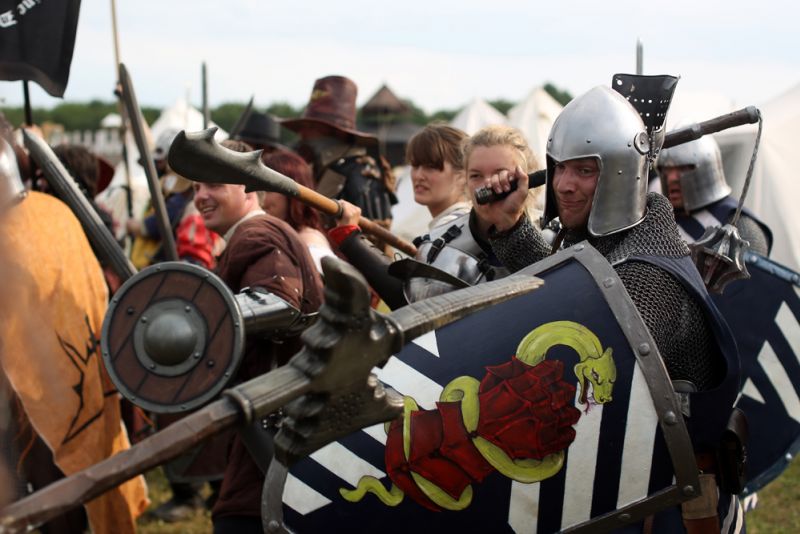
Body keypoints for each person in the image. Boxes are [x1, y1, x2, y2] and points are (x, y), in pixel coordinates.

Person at [475, 85, 743, 531]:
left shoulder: (648, 273)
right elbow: (567, 297)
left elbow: (585, 347)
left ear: (623, 174)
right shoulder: (611, 246)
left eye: (584, 170)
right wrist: (509, 224)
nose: (564, 184)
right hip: (625, 486)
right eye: (560, 167)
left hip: (669, 505)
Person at [0, 136, 148, 533]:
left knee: (53, 488)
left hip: (47, 383)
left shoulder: (50, 217)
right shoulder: (55, 213)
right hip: (44, 381)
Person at [191, 143, 324, 534]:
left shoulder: (257, 233)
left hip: (280, 418)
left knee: (241, 519)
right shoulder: (250, 234)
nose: (201, 196)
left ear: (248, 188)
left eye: (214, 185)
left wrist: (197, 323)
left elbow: (278, 302)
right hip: (272, 414)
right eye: (196, 187)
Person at [331, 124, 541, 309]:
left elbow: (411, 304)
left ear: (460, 175)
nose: (418, 175)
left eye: (432, 166)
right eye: (415, 165)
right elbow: (419, 303)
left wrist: (351, 239)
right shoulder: (443, 234)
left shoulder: (468, 228)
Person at [280, 75, 397, 239]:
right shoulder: (318, 167)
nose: (302, 134)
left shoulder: (362, 172)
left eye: (311, 126)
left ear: (333, 131)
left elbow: (374, 242)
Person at [657, 135, 772, 255]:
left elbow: (749, 266)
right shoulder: (658, 219)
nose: (671, 178)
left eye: (683, 168)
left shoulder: (735, 221)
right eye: (665, 169)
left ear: (706, 168)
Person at [260, 149, 336, 273]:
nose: (259, 197)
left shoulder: (310, 241)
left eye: (267, 189)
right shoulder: (275, 233)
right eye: (257, 188)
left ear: (292, 195)